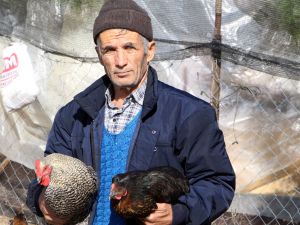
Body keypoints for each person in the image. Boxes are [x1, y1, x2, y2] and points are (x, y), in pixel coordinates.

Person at [26, 0, 235, 224]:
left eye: (129, 47)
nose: (120, 61)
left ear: (150, 51)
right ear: (99, 55)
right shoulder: (74, 116)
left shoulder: (190, 114)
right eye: (110, 50)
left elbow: (217, 182)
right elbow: (49, 175)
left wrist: (179, 213)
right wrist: (42, 200)